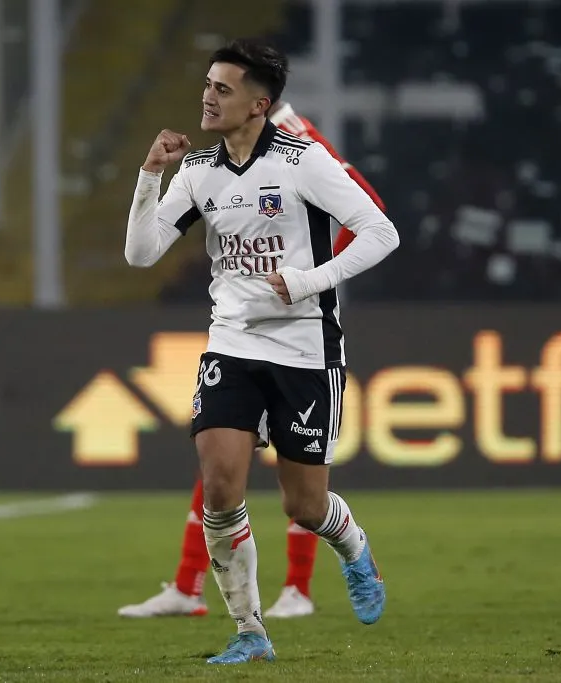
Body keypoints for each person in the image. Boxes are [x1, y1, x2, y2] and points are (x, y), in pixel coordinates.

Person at [124, 38, 399, 664]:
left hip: (306, 349)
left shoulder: (303, 162)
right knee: (220, 485)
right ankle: (250, 631)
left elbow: (382, 232)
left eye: (223, 88)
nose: (208, 96)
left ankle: (354, 549)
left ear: (259, 105)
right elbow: (141, 254)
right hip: (232, 342)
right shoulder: (196, 172)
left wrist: (307, 282)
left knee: (303, 504)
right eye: (207, 84)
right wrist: (149, 177)